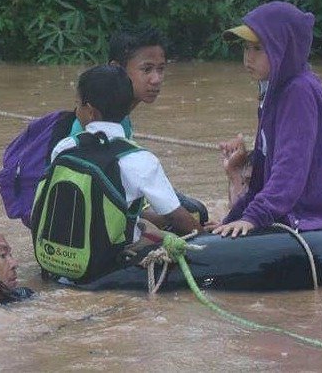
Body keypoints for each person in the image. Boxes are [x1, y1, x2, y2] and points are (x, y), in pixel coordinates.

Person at [211, 1, 322, 238]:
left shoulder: (298, 91)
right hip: (296, 210)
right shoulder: (273, 91)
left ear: (282, 48)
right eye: (246, 48)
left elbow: (290, 167)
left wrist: (255, 217)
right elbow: (262, 177)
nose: (248, 57)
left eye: (258, 48)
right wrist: (234, 218)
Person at [31, 65, 201, 283]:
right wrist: (204, 234)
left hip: (54, 261)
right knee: (195, 214)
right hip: (111, 265)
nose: (76, 111)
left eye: (78, 104)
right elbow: (174, 215)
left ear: (90, 111)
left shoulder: (64, 147)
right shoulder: (140, 159)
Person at [0, 27, 168, 227]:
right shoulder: (89, 130)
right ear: (117, 69)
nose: (156, 79)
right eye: (146, 69)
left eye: (161, 69)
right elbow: (84, 197)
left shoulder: (119, 119)